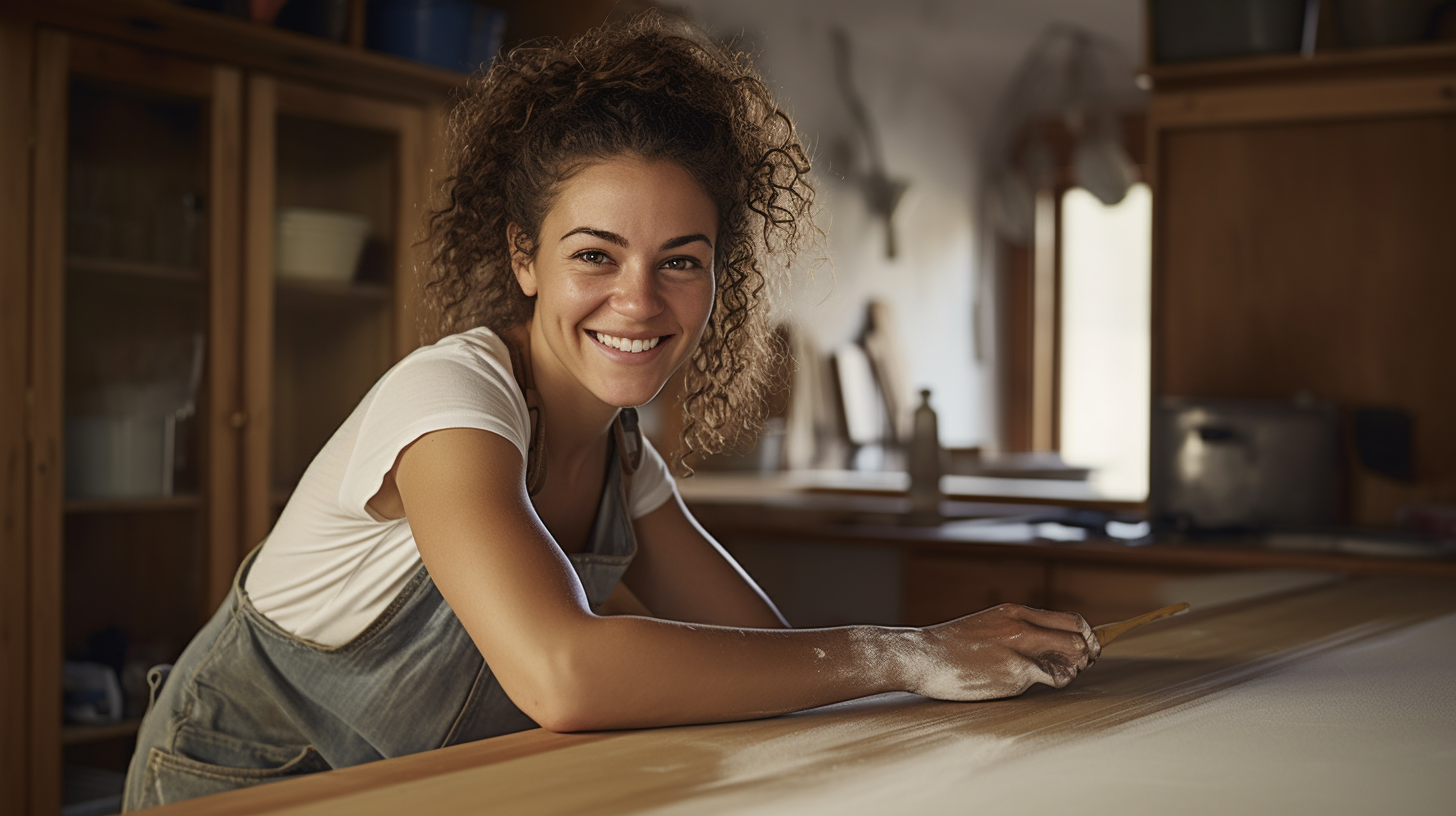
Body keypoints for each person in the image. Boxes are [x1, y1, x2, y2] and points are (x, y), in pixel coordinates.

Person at [122, 12, 1099, 811]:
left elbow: (759, 664)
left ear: (722, 279)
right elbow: (561, 672)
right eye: (595, 254)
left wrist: (917, 660)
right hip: (236, 792)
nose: (639, 301)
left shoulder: (624, 463)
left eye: (680, 260)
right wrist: (909, 650)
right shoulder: (449, 400)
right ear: (523, 257)